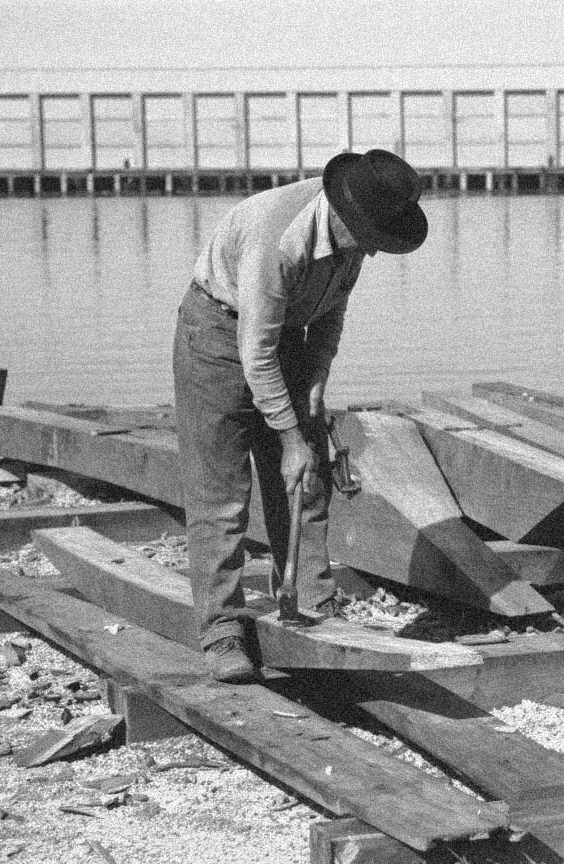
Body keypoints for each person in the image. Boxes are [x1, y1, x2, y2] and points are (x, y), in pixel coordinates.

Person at [172, 149, 428, 683]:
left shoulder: (355, 231)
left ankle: (311, 601)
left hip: (287, 333)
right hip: (218, 333)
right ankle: (221, 629)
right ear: (345, 216)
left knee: (308, 481)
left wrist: (314, 383)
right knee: (220, 496)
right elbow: (254, 352)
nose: (374, 255)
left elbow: (331, 312)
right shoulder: (277, 239)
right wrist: (289, 437)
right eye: (372, 242)